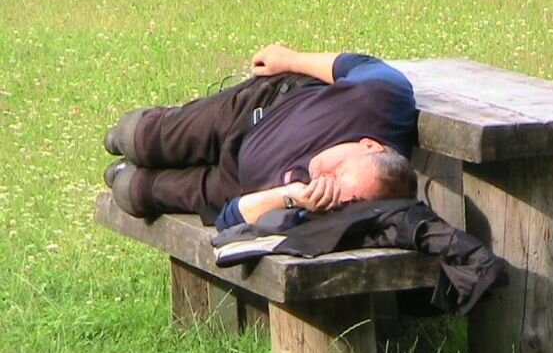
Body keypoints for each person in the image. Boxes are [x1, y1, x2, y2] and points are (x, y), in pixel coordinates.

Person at [103, 44, 418, 227]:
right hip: (259, 110)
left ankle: (125, 173)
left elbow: (230, 220)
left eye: (341, 195)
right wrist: (290, 59)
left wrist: (290, 197)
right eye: (340, 171)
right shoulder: (382, 97)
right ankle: (128, 141)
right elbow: (354, 64)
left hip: (238, 187)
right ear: (370, 146)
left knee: (134, 192)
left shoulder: (329, 208)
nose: (325, 180)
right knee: (139, 136)